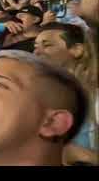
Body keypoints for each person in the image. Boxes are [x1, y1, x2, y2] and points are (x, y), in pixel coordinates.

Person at [34, 23, 98, 164]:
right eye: (35, 47)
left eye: (47, 45)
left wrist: (81, 155)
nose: (37, 53)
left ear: (76, 50)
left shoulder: (95, 96)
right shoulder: (40, 96)